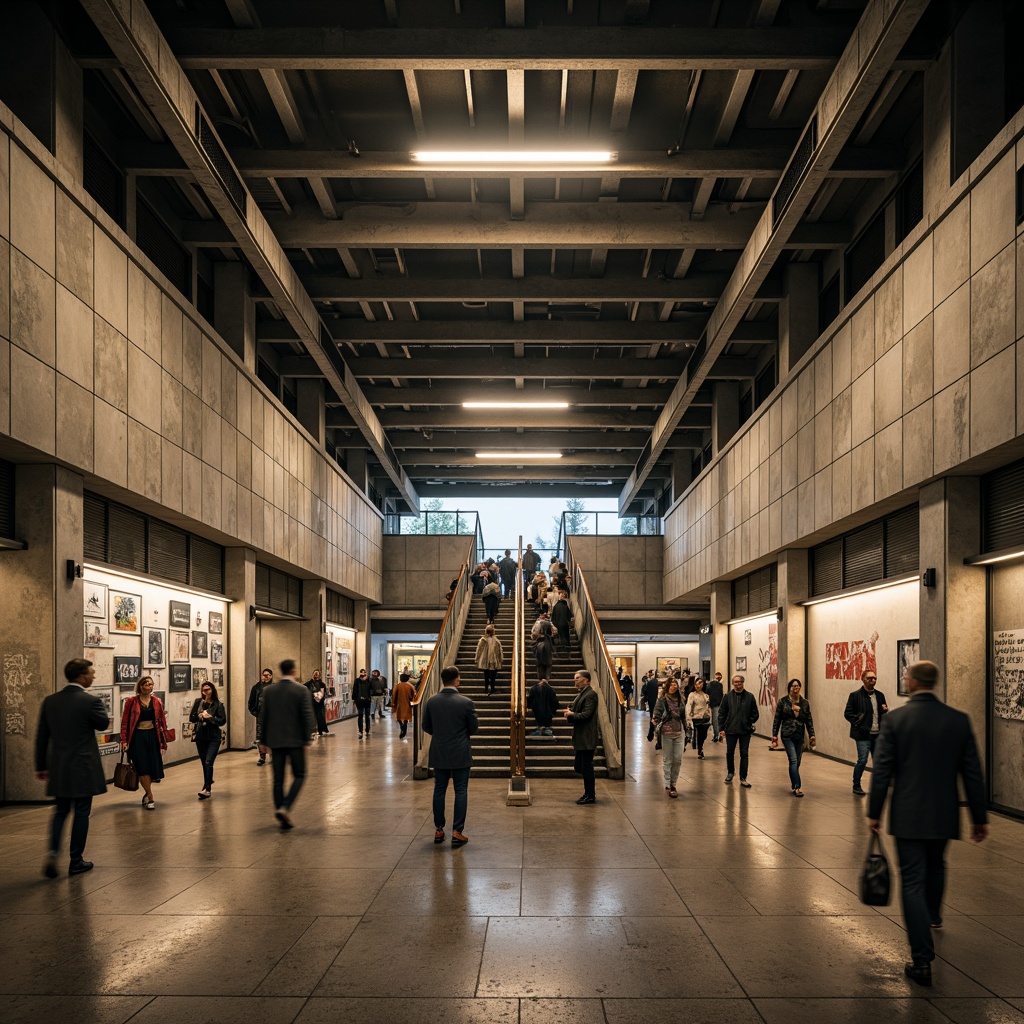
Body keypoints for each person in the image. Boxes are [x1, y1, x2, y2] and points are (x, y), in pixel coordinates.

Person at [868, 660, 988, 987]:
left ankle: (922, 960)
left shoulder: (895, 720)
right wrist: (979, 817)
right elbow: (973, 773)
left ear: (912, 681)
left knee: (912, 881)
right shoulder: (958, 721)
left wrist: (874, 811)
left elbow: (882, 772)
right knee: (937, 866)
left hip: (908, 815)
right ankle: (933, 915)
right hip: (944, 813)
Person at [35, 658, 108, 877]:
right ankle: (76, 861)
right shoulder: (90, 701)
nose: (93, 676)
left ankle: (53, 853)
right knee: (82, 813)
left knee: (60, 812)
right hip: (84, 767)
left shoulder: (50, 701)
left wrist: (41, 766)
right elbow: (103, 724)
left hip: (59, 767)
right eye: (91, 673)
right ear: (82, 676)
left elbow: (42, 737)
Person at [423, 666, 478, 847]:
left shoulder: (432, 701)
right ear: (457, 680)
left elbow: (426, 726)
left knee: (439, 789)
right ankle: (457, 831)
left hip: (439, 751)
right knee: (460, 790)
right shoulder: (466, 702)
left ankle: (439, 829)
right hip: (460, 752)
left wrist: (440, 734)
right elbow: (473, 728)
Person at [260, 658, 316, 830]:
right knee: (299, 774)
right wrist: (307, 739)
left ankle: (281, 814)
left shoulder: (269, 691)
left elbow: (264, 718)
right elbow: (307, 716)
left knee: (278, 779)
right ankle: (286, 807)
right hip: (296, 741)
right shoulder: (301, 690)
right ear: (293, 671)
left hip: (275, 741)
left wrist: (263, 741)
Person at [120, 675, 168, 810]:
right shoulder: (131, 702)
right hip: (137, 738)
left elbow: (162, 721)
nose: (149, 686)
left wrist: (163, 740)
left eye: (151, 684)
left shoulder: (157, 701)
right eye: (146, 684)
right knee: (142, 767)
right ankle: (150, 796)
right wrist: (124, 740)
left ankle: (147, 793)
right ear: (140, 686)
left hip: (152, 736)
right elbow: (125, 722)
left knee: (151, 767)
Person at [844, 668, 889, 796]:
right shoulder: (855, 696)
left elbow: (882, 712)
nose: (872, 680)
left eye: (874, 678)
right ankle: (856, 785)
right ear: (863, 679)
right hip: (863, 734)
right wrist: (858, 723)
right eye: (869, 678)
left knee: (879, 761)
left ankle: (879, 786)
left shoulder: (880, 695)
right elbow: (847, 713)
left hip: (878, 734)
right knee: (862, 760)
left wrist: (885, 710)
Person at [771, 679, 816, 796]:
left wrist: (812, 735)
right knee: (793, 760)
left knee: (797, 762)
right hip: (787, 734)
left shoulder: (805, 703)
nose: (795, 688)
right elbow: (777, 719)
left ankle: (794, 781)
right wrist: (774, 735)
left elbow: (809, 720)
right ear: (789, 688)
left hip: (799, 735)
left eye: (797, 686)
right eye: (793, 686)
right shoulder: (783, 702)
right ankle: (797, 787)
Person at [565, 669, 599, 804]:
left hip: (587, 737)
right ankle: (588, 793)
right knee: (580, 766)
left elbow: (586, 715)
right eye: (575, 678)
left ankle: (590, 795)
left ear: (586, 680)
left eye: (578, 678)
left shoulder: (591, 695)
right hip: (581, 737)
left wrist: (571, 714)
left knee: (586, 766)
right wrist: (571, 712)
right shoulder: (582, 694)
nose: (575, 681)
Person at [718, 674, 758, 787]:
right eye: (735, 682)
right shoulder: (727, 697)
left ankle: (743, 777)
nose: (738, 684)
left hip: (745, 731)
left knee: (744, 754)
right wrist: (722, 728)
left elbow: (755, 713)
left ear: (743, 683)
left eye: (740, 682)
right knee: (730, 752)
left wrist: (748, 721)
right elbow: (722, 713)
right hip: (730, 730)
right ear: (732, 683)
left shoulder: (750, 697)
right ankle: (731, 772)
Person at [189, 680, 226, 798]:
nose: (206, 692)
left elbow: (222, 721)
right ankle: (207, 783)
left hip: (213, 737)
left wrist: (210, 718)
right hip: (201, 736)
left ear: (212, 690)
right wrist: (199, 716)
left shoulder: (218, 704)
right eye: (204, 690)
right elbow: (192, 718)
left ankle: (207, 788)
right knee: (204, 762)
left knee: (209, 761)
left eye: (208, 689)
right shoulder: (198, 702)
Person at [653, 677, 685, 798]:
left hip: (678, 732)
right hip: (666, 733)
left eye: (675, 684)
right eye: (671, 684)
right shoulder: (662, 699)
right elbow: (656, 715)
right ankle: (668, 784)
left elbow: (683, 716)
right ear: (667, 686)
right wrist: (656, 725)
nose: (673, 686)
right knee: (668, 760)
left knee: (678, 759)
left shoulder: (681, 699)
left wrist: (687, 731)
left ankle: (674, 783)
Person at [248, 668, 273, 765]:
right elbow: (251, 703)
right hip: (261, 716)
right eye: (264, 675)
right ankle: (262, 756)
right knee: (260, 736)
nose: (266, 677)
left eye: (268, 675)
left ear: (271, 676)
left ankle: (272, 755)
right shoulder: (256, 687)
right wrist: (256, 713)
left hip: (272, 717)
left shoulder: (274, 687)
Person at [685, 676, 712, 759]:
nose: (698, 685)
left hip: (705, 717)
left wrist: (710, 716)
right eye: (696, 684)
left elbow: (708, 706)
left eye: (700, 683)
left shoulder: (706, 695)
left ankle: (700, 747)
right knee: (696, 735)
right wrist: (688, 718)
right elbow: (688, 706)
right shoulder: (692, 695)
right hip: (696, 717)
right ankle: (700, 750)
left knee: (703, 735)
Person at [474, 623, 504, 696]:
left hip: (486, 660)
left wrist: (477, 659)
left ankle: (486, 689)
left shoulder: (483, 640)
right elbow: (500, 651)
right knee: (492, 676)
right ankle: (492, 689)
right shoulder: (496, 641)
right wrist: (501, 660)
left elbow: (479, 650)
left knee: (486, 675)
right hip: (493, 660)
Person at [391, 671, 416, 739]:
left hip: (399, 704)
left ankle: (402, 727)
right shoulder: (410, 686)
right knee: (406, 718)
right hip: (407, 704)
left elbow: (394, 695)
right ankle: (404, 729)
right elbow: (414, 695)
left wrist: (393, 703)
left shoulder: (397, 686)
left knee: (399, 717)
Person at [306, 669, 330, 737]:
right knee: (315, 717)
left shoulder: (321, 684)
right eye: (315, 674)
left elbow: (323, 692)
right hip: (313, 702)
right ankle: (315, 730)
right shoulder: (310, 683)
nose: (316, 676)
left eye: (317, 674)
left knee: (319, 716)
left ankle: (320, 730)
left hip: (319, 703)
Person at [352, 667, 373, 738]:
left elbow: (371, 689)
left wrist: (368, 680)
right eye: (362, 673)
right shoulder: (357, 681)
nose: (363, 674)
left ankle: (367, 729)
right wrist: (354, 699)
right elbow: (355, 690)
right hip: (359, 700)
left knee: (367, 715)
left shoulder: (368, 681)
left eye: (364, 673)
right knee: (360, 715)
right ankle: (360, 730)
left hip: (367, 700)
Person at [707, 672, 725, 741]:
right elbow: (721, 694)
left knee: (714, 720)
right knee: (716, 720)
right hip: (718, 704)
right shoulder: (720, 685)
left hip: (711, 703)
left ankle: (716, 735)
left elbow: (707, 692)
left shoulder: (710, 684)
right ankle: (717, 735)